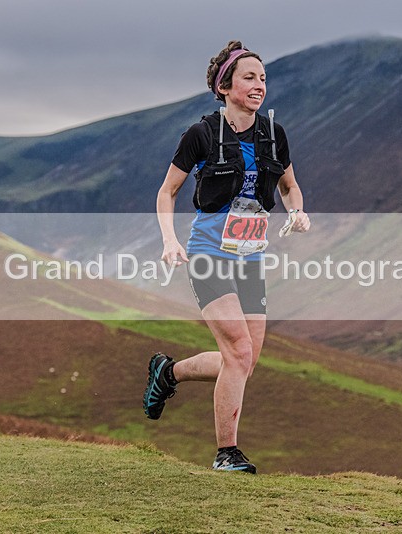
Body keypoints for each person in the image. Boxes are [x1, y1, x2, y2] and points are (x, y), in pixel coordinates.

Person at [144, 40, 310, 474]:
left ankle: (169, 373)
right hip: (207, 255)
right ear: (225, 85)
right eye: (250, 78)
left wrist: (297, 212)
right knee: (238, 350)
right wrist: (169, 239)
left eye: (264, 79)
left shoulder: (275, 135)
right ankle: (226, 453)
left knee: (244, 361)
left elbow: (290, 186)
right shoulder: (200, 134)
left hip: (250, 258)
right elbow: (167, 192)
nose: (260, 86)